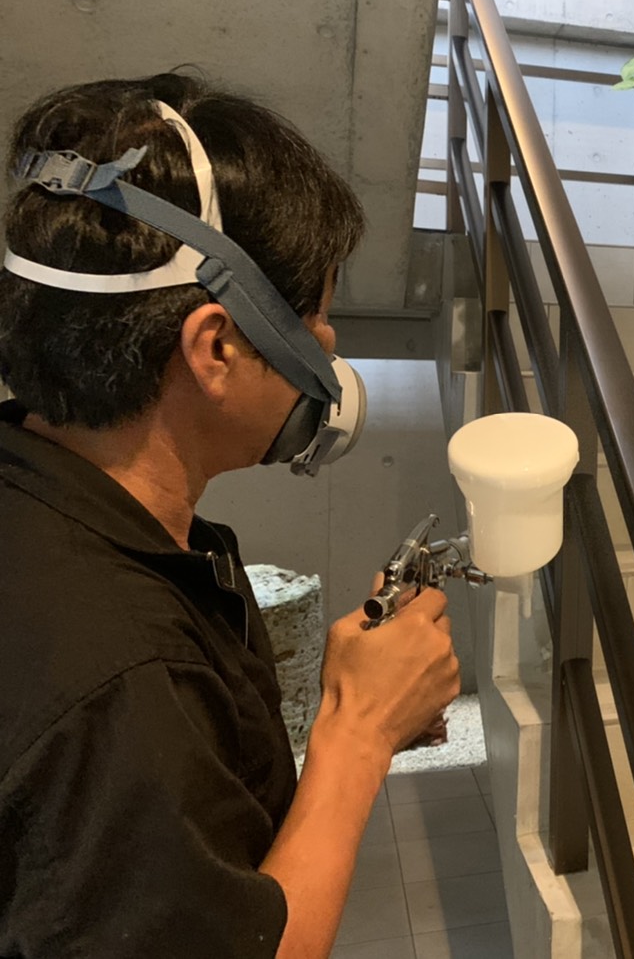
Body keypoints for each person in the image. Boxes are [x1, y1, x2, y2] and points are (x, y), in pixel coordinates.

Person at [0, 73, 461, 958]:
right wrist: (357, 731)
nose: (327, 351)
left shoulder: (73, 523)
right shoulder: (118, 672)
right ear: (215, 347)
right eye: (315, 319)